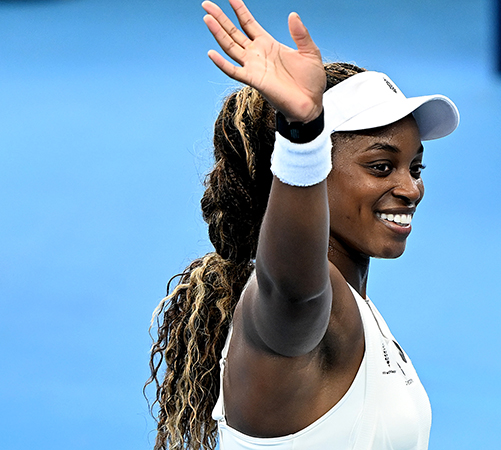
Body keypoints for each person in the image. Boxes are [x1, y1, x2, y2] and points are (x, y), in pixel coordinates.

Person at [146, 0, 459, 449]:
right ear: (316, 174)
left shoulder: (355, 305)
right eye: (381, 167)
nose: (411, 188)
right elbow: (294, 290)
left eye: (415, 167)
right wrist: (303, 136)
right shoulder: (301, 307)